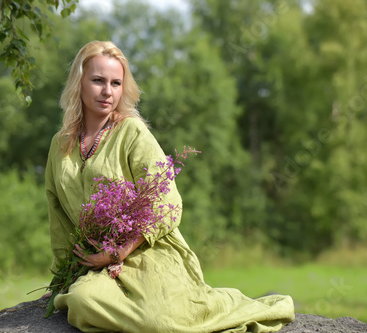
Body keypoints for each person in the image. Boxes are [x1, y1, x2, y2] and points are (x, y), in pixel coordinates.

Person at [43, 40, 295, 332]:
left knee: (159, 322)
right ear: (79, 82)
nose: (107, 91)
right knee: (82, 301)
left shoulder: (131, 131)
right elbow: (58, 215)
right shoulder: (60, 145)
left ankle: (223, 302)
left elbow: (169, 201)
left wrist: (122, 249)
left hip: (148, 251)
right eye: (98, 80)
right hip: (94, 263)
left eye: (115, 83)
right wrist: (61, 277)